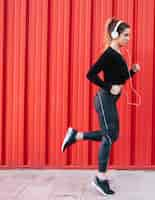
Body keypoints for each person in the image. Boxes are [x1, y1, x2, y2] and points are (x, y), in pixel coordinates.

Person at [60, 17, 141, 196]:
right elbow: (90, 74)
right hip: (104, 99)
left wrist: (132, 71)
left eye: (129, 35)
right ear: (115, 35)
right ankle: (100, 177)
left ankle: (76, 135)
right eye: (126, 35)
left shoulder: (118, 54)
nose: (129, 38)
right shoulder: (109, 54)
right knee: (110, 136)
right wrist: (108, 87)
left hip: (110, 100)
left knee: (112, 134)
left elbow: (121, 78)